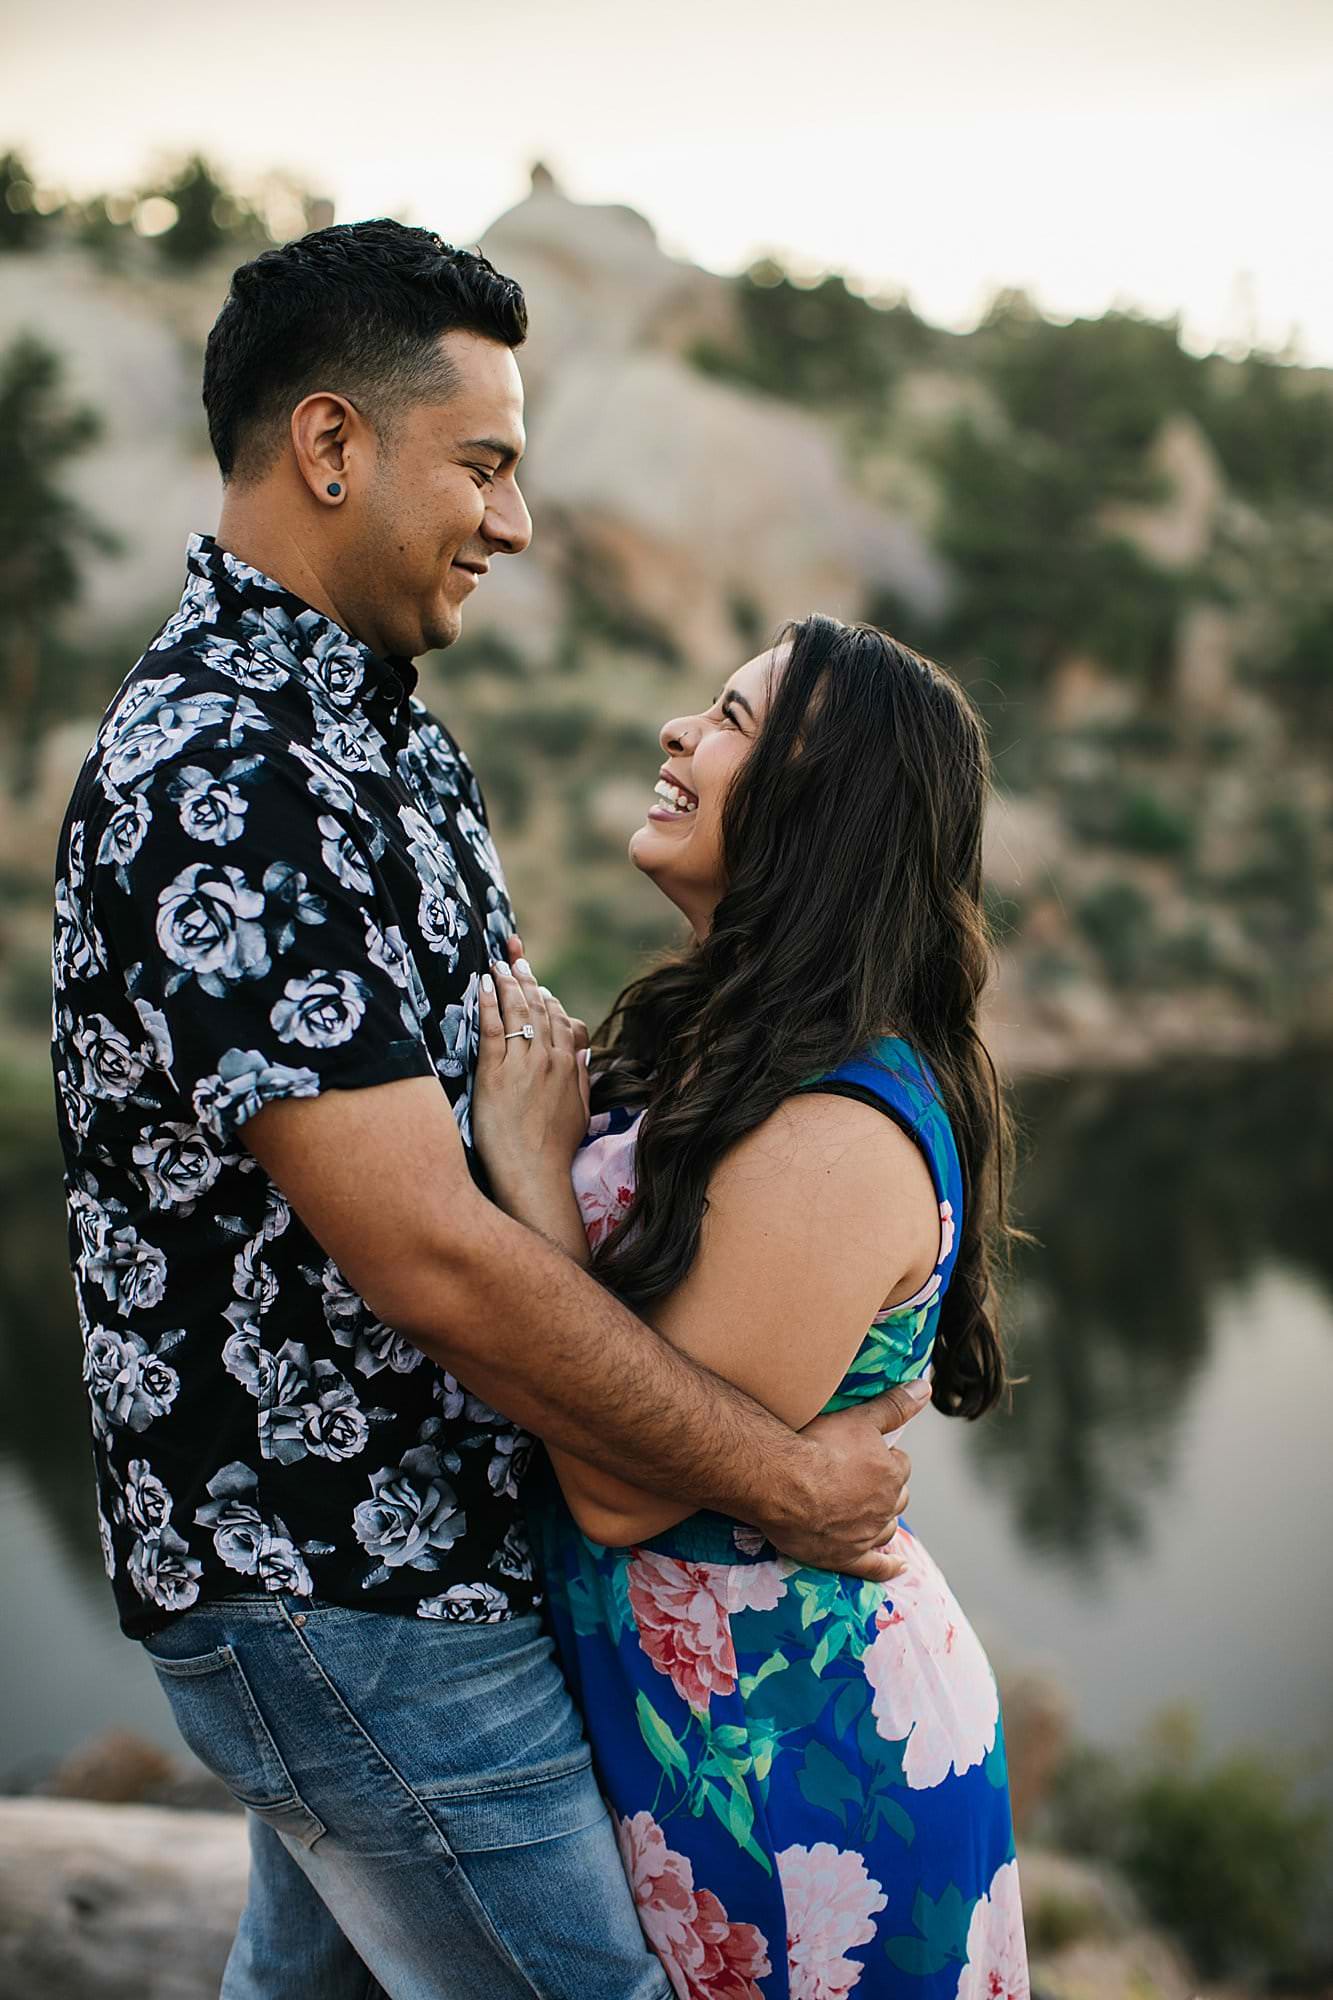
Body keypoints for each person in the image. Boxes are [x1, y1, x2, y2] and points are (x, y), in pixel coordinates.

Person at [49, 219, 927, 2000]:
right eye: (485, 465)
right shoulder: (230, 769)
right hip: (339, 1585)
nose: (513, 524)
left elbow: (496, 1097)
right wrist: (791, 1478)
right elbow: (429, 1256)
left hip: (424, 1558)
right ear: (329, 446)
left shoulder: (375, 731)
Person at [470, 618, 1029, 1999]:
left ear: (816, 807)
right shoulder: (738, 1045)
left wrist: (536, 1176)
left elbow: (616, 1486)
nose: (676, 732)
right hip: (703, 1716)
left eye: (727, 719)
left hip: (795, 1757)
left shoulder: (836, 1128)